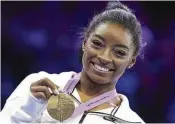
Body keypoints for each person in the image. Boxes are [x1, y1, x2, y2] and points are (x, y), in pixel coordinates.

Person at [0, 1, 145, 123]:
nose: (104, 57)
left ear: (131, 61)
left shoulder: (131, 121)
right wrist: (29, 106)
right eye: (97, 44)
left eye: (119, 52)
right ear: (84, 43)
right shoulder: (37, 86)